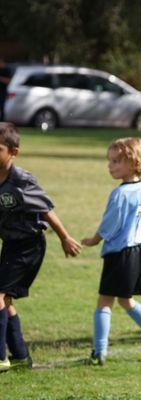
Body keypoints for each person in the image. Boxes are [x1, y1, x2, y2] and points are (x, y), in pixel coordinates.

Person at [0, 122, 81, 371]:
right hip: (11, 245)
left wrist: (65, 237)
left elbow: (46, 211)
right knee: (6, 300)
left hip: (29, 245)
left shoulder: (22, 180)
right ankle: (21, 356)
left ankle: (1, 357)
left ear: (13, 152)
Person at [82, 137, 141, 366]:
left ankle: (99, 352)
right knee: (125, 301)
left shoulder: (120, 194)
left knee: (104, 302)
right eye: (110, 161)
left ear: (132, 161)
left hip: (121, 254)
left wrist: (93, 240)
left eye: (116, 161)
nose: (110, 166)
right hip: (138, 251)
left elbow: (109, 226)